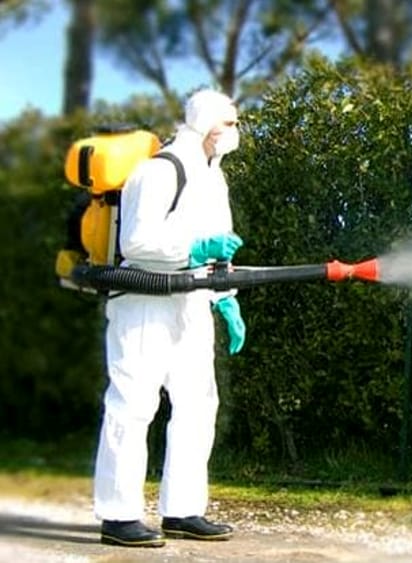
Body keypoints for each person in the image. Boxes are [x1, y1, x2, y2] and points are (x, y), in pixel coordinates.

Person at [93, 89, 247, 548]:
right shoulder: (159, 171)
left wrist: (227, 299)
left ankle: (183, 510)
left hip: (192, 302)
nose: (235, 133)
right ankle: (118, 516)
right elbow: (137, 243)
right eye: (230, 124)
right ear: (205, 125)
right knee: (134, 404)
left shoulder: (214, 179)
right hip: (143, 302)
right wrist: (194, 251)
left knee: (199, 405)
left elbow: (222, 246)